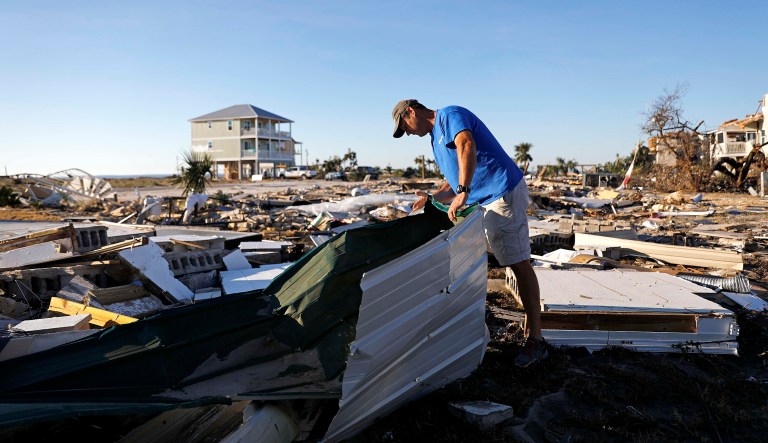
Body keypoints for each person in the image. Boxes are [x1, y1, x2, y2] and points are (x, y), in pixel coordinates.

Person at [391, 99, 547, 367]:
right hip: (484, 200)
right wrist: (431, 197)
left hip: (501, 191)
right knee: (501, 261)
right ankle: (521, 330)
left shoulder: (450, 116)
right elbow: (451, 180)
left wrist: (463, 191)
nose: (408, 132)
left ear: (411, 112)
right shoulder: (435, 140)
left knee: (519, 263)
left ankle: (536, 339)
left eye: (404, 126)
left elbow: (466, 145)